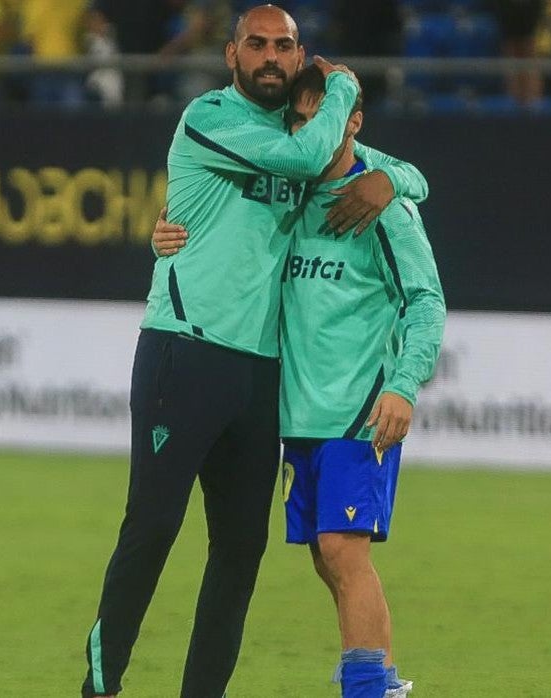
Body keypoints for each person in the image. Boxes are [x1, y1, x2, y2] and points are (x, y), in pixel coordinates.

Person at [81, 6, 429, 698]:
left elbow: (404, 175)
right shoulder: (212, 118)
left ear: (297, 56)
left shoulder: (302, 129)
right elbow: (308, 158)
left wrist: (394, 179)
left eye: (285, 46)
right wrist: (342, 91)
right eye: (258, 45)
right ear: (231, 55)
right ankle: (101, 686)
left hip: (259, 371)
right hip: (185, 352)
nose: (271, 56)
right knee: (152, 528)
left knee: (240, 553)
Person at [154, 63, 445, 698]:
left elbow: (425, 301)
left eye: (328, 119)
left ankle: (368, 692)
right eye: (300, 121)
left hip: (357, 408)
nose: (313, 131)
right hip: (297, 415)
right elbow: (224, 240)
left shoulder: (381, 205)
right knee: (327, 556)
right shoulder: (286, 197)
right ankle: (383, 683)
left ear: (355, 122)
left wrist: (404, 384)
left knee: (343, 550)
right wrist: (166, 234)